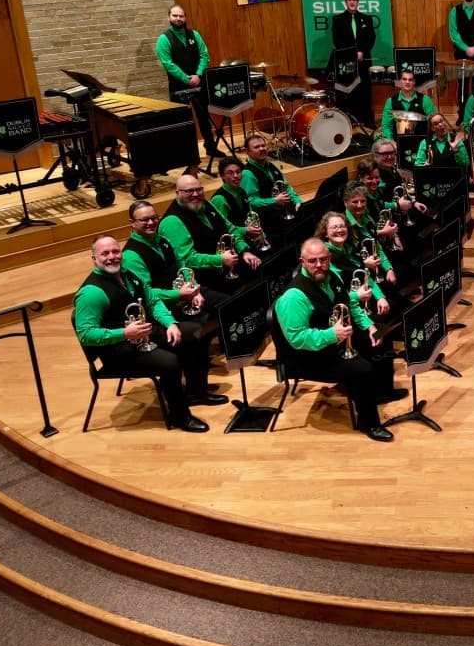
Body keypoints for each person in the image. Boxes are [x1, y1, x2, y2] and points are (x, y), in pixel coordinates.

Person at [73, 236, 215, 433]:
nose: (112, 257)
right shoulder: (91, 293)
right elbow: (86, 334)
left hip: (145, 334)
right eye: (105, 254)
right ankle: (179, 416)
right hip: (118, 350)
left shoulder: (129, 275)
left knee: (194, 332)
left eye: (115, 251)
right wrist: (124, 333)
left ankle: (196, 392)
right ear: (94, 258)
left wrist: (171, 323)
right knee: (170, 362)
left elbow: (152, 302)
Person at [273, 238, 408, 442]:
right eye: (312, 261)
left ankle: (381, 392)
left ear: (329, 258)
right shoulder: (294, 297)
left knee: (380, 333)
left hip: (336, 339)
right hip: (308, 356)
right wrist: (331, 335)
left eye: (323, 260)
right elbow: (296, 339)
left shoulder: (332, 276)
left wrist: (369, 326)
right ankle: (369, 423)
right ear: (302, 261)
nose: (319, 265)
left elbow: (350, 305)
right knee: (362, 369)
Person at [119, 203, 226, 400]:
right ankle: (195, 389)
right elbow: (147, 293)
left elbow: (182, 269)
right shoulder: (131, 256)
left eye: (154, 217)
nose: (151, 222)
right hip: (157, 312)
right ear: (132, 224)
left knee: (216, 312)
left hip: (179, 300)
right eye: (145, 220)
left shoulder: (164, 242)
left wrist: (194, 290)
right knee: (195, 332)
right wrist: (179, 295)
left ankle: (197, 385)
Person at [159, 174, 261, 298]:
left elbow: (229, 227)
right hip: (202, 279)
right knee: (246, 295)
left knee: (261, 269)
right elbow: (187, 259)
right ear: (177, 193)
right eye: (189, 191)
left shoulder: (205, 204)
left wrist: (244, 250)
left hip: (225, 267)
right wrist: (220, 260)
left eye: (198, 189)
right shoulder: (172, 222)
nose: (196, 194)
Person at [155, 4, 220, 166]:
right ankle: (186, 154)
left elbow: (205, 55)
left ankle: (210, 147)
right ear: (168, 17)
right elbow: (167, 64)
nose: (178, 19)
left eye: (181, 16)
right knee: (182, 121)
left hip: (199, 82)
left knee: (204, 118)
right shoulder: (164, 39)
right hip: (178, 87)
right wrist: (187, 79)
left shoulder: (194, 35)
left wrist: (198, 75)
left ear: (185, 18)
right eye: (175, 16)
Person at [330, 0, 376, 127]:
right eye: (350, 0)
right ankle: (347, 122)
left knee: (365, 90)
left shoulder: (366, 19)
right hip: (346, 63)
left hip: (363, 61)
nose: (352, 3)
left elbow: (371, 39)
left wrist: (362, 51)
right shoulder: (338, 20)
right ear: (346, 2)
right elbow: (337, 41)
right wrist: (352, 53)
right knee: (348, 91)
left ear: (358, 2)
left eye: (355, 0)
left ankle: (367, 121)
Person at [240, 134, 303, 229]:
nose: (262, 149)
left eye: (263, 145)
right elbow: (251, 201)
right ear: (247, 152)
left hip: (283, 214)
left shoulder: (272, 166)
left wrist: (297, 201)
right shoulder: (247, 174)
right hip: (267, 222)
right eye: (257, 147)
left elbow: (287, 187)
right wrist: (274, 201)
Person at [209, 156, 268, 251]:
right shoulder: (219, 199)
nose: (235, 176)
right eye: (230, 173)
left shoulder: (241, 191)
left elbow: (250, 216)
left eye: (238, 172)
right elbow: (221, 229)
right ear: (222, 176)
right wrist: (245, 231)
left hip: (247, 239)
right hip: (231, 246)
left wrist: (261, 235)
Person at [379, 69, 437, 141]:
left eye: (410, 80)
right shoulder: (390, 101)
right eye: (404, 79)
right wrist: (391, 142)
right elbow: (386, 126)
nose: (407, 82)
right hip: (397, 142)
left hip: (421, 142)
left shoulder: (425, 100)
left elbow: (434, 122)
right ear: (400, 81)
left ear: (414, 82)